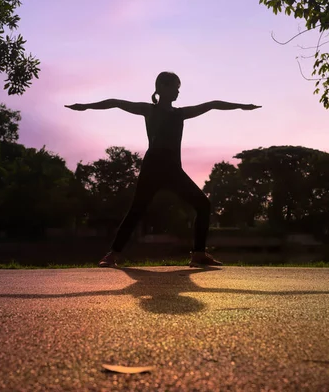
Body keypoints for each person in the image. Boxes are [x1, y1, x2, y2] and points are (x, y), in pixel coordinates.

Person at [66, 71, 261, 268]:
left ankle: (198, 254)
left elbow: (211, 105)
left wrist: (241, 106)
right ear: (162, 88)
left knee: (203, 205)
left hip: (173, 168)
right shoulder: (149, 110)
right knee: (137, 209)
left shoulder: (180, 113)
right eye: (175, 87)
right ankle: (112, 255)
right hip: (153, 166)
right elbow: (115, 102)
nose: (178, 92)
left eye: (178, 88)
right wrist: (86, 107)